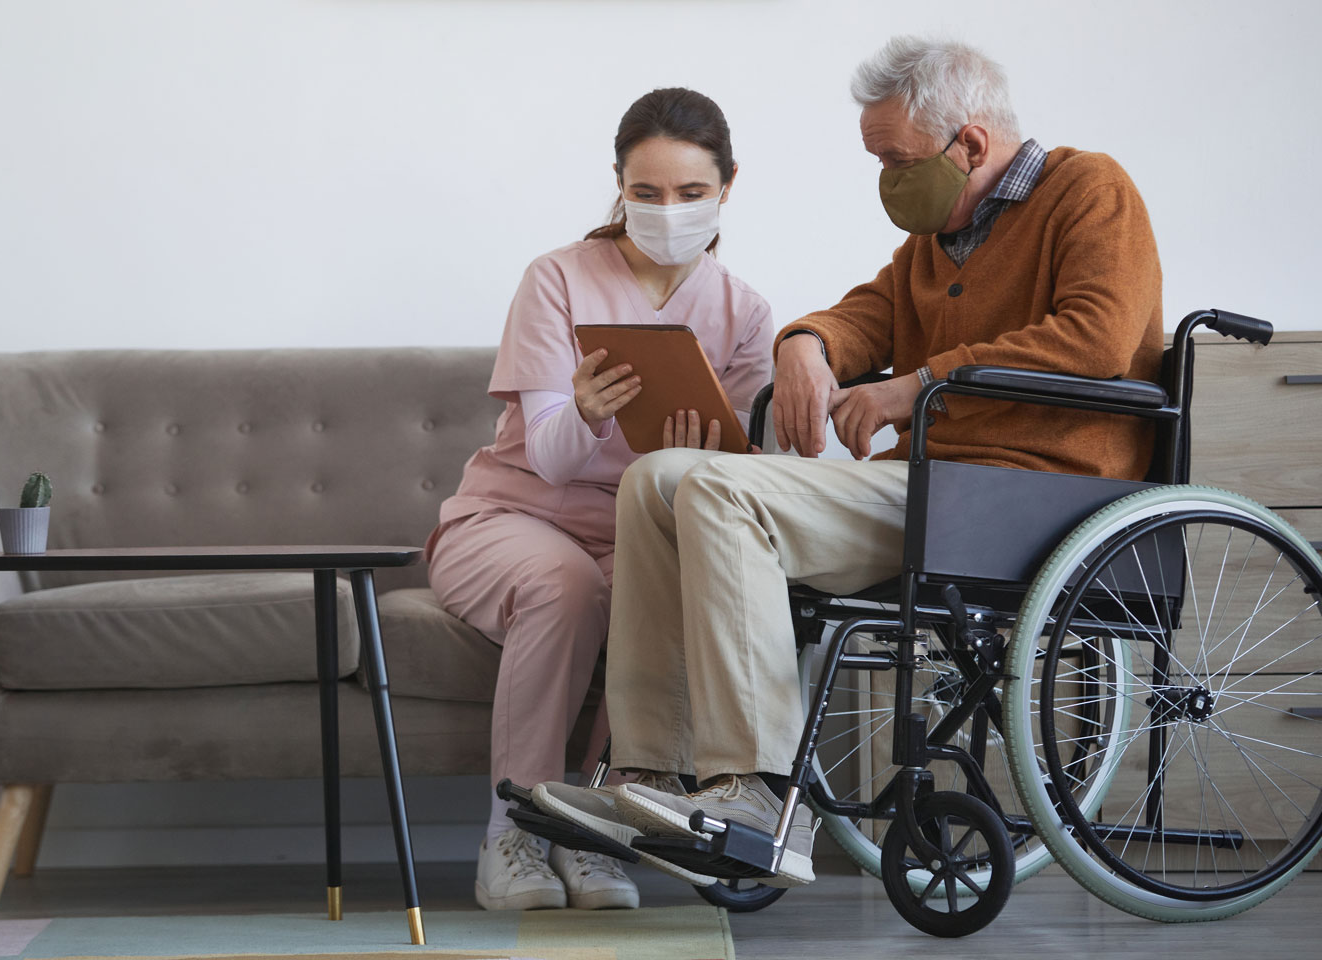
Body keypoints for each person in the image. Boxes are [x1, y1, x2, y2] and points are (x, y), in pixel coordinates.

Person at [532, 35, 1164, 888]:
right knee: (657, 478)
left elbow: (1096, 339)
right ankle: (651, 772)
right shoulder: (938, 240)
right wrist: (804, 344)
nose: (888, 181)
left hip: (1033, 493)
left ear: (969, 144)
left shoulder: (1090, 191)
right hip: (935, 490)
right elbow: (861, 315)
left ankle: (753, 790)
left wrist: (916, 386)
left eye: (896, 160)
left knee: (719, 490)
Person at [425, 87, 774, 911]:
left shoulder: (745, 313)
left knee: (661, 593)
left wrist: (698, 455)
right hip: (513, 517)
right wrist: (583, 412)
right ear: (618, 185)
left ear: (728, 186)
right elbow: (545, 458)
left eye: (690, 194)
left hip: (640, 529)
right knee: (568, 584)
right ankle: (513, 832)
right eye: (646, 193)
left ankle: (597, 831)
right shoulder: (556, 280)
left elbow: (755, 465)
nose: (667, 212)